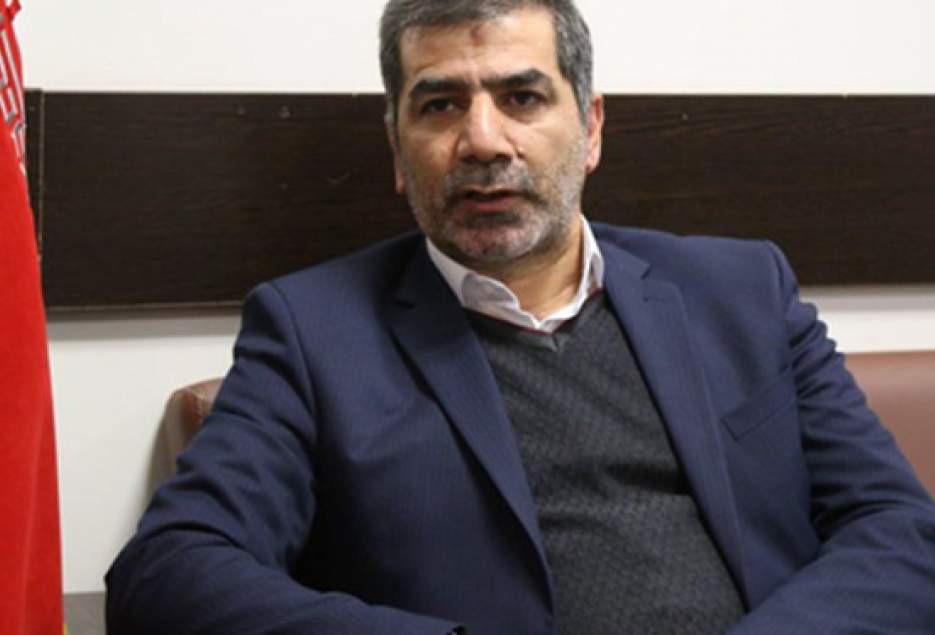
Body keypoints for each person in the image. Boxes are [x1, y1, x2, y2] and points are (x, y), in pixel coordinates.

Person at [106, 1, 935, 633]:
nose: (482, 140)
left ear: (590, 127)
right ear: (396, 149)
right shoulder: (313, 330)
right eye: (439, 105)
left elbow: (899, 526)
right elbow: (168, 571)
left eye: (522, 96)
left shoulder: (740, 289)